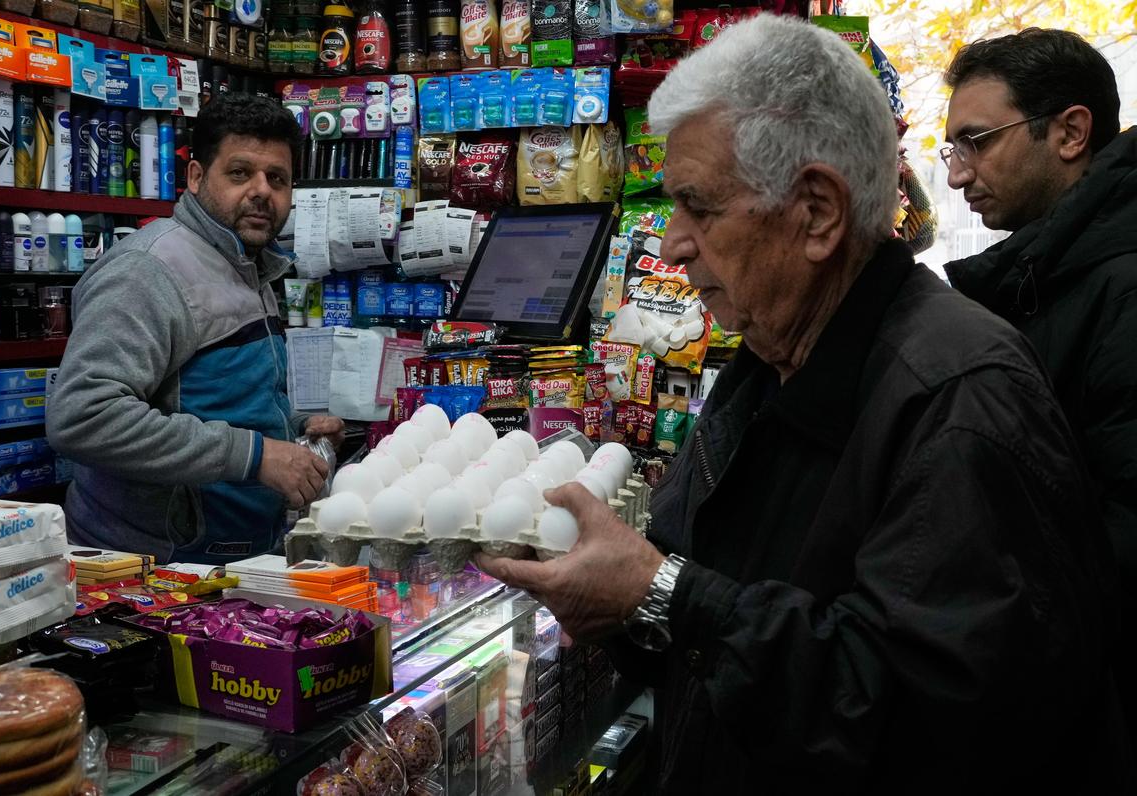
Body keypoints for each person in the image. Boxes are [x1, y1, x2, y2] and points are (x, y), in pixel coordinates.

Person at [476, 16, 1126, 793]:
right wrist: (623, 608)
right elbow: (716, 613)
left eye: (698, 206)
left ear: (816, 212)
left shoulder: (959, 398)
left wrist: (661, 592)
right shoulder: (768, 360)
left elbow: (923, 719)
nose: (675, 242)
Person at [47, 94, 344, 565]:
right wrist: (257, 454)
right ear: (196, 177)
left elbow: (207, 398)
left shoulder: (247, 265)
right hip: (147, 573)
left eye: (278, 179)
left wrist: (292, 430)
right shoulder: (147, 270)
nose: (262, 191)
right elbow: (83, 416)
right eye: (240, 173)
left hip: (223, 567)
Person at [941, 28, 1137, 734]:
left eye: (978, 141)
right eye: (952, 149)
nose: (959, 174)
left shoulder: (1119, 286)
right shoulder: (1044, 274)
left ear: (1070, 132)